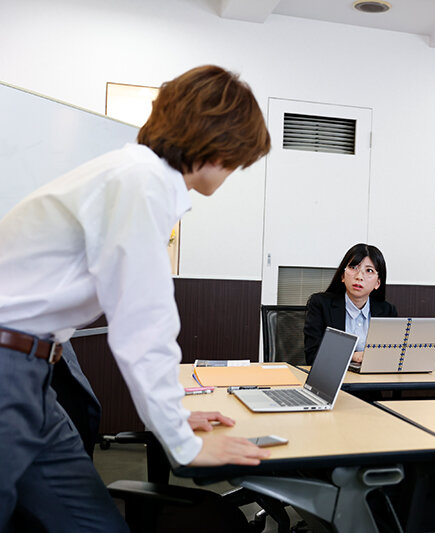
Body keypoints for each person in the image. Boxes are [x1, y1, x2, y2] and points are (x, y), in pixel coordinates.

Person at [0, 65, 273, 532]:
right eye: (237, 159)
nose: (234, 171)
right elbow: (144, 325)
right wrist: (183, 442)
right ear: (217, 145)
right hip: (9, 368)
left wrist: (176, 417)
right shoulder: (141, 183)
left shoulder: (132, 176)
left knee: (96, 523)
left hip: (33, 373)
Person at [304, 244, 398, 365]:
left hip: (372, 376)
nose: (359, 277)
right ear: (343, 276)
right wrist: (353, 356)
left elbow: (391, 357)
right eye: (353, 267)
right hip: (334, 376)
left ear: (377, 283)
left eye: (369, 270)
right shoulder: (321, 304)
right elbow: (312, 356)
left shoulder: (387, 311)